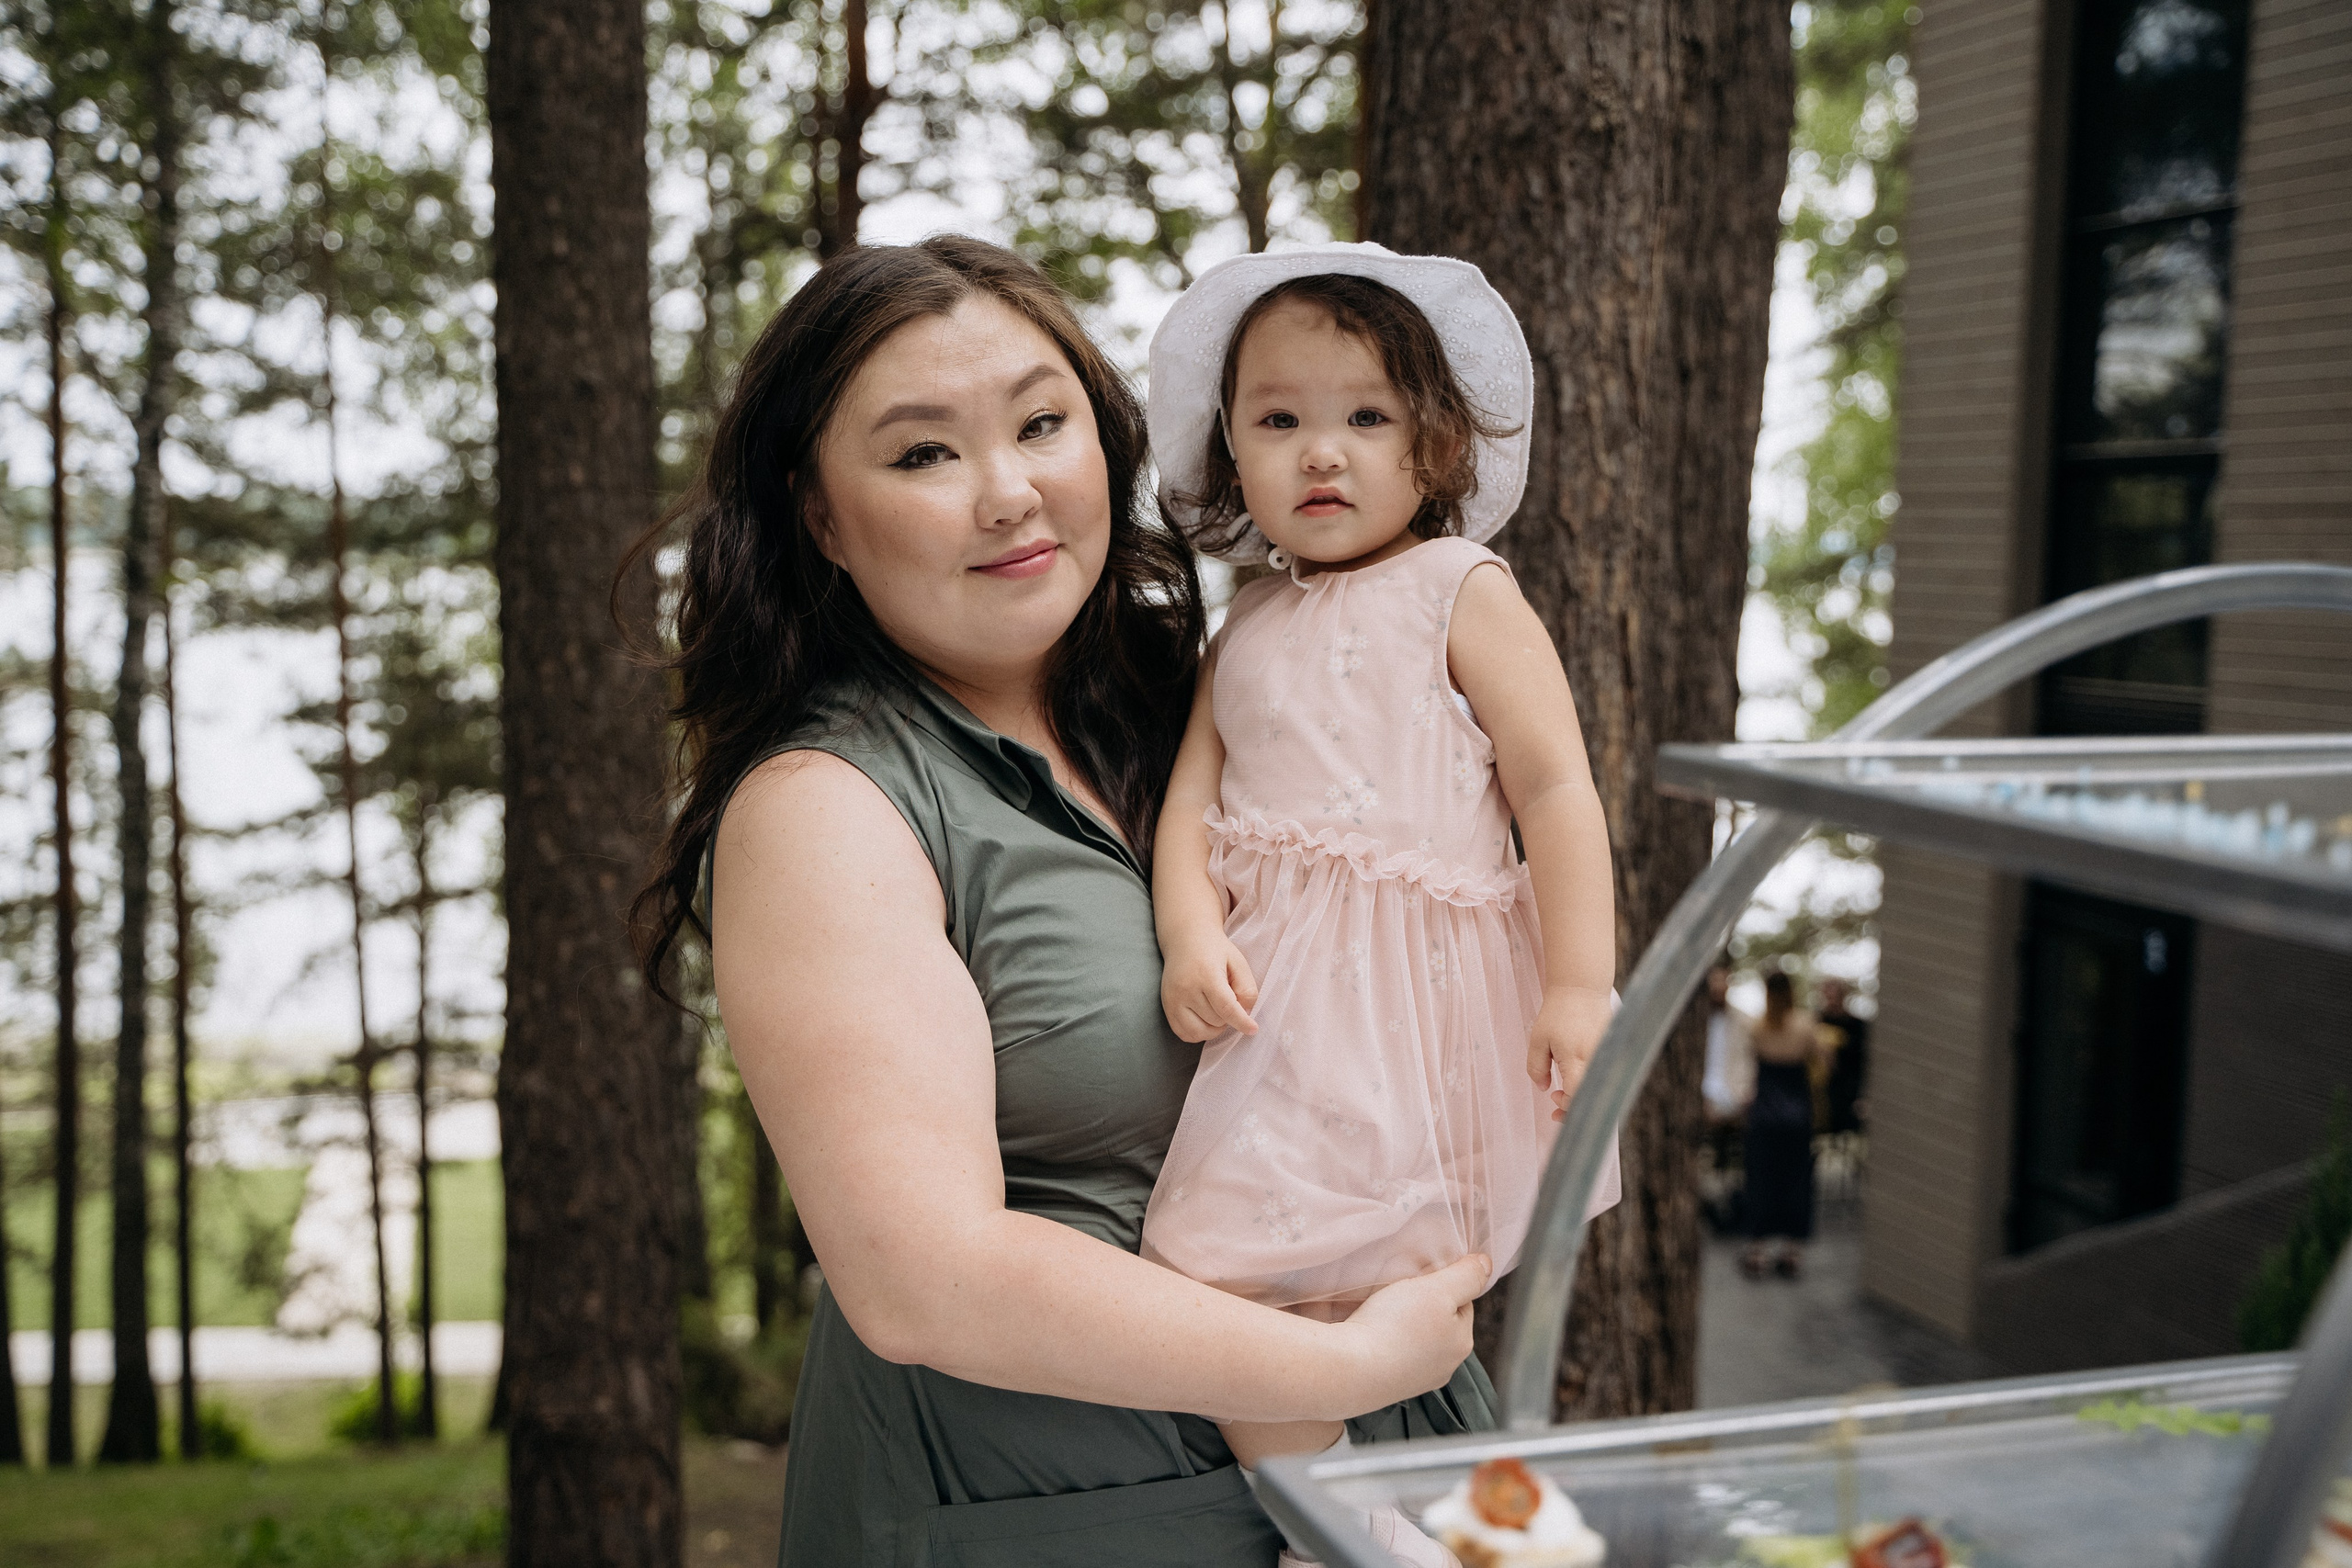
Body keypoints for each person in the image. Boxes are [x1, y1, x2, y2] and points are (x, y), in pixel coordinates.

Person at [628, 237, 1493, 1566]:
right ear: (820, 517)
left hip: (1408, 1466)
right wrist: (1340, 1363)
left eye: (1042, 424)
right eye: (925, 453)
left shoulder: (1212, 699)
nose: (1009, 493)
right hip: (1055, 1521)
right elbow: (925, 1278)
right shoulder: (824, 808)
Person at [1136, 243, 1622, 1563]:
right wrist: (1189, 929)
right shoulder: (1242, 629)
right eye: (1277, 421)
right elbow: (1189, 804)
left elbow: (1554, 787)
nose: (1321, 452)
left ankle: (1369, 1523)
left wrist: (1579, 984)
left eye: (1366, 416)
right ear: (1231, 456)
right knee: (1214, 1277)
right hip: (1282, 1023)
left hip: (1419, 1018)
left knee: (1362, 1279)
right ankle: (1347, 1521)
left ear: (1434, 441)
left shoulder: (1459, 589)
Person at [1741, 968, 1829, 1280]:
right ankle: (1792, 1251)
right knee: (1796, 1181)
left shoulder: (1756, 1027)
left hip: (1764, 1114)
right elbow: (1825, 1063)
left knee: (1762, 1180)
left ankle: (1757, 1250)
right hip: (1796, 1114)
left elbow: (1747, 1074)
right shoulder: (1805, 1024)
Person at [1700, 963, 1755, 1233]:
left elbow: (1749, 1065)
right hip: (1704, 1100)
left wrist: (1743, 1097)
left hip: (1735, 1100)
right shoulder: (1696, 1023)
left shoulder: (1744, 1021)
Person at [1818, 976, 1870, 1137]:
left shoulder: (1856, 1026)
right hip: (1824, 1091)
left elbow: (1862, 1062)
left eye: (1835, 996)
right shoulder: (1817, 1022)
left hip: (1848, 1089)